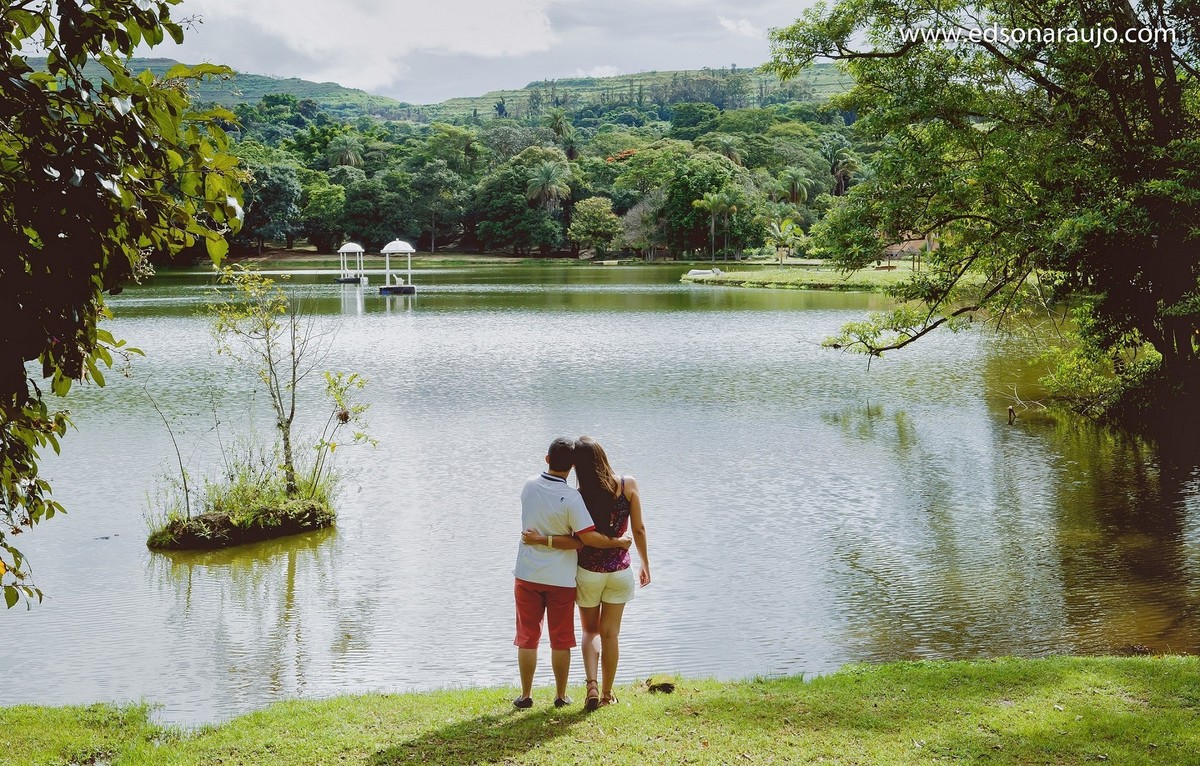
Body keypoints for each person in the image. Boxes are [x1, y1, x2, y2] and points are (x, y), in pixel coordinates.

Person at [522, 436, 650, 711]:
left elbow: (579, 534)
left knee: (590, 630)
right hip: (619, 569)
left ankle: (591, 684)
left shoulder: (578, 495)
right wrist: (645, 564)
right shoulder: (628, 485)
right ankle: (607, 693)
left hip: (589, 570)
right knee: (611, 634)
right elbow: (638, 529)